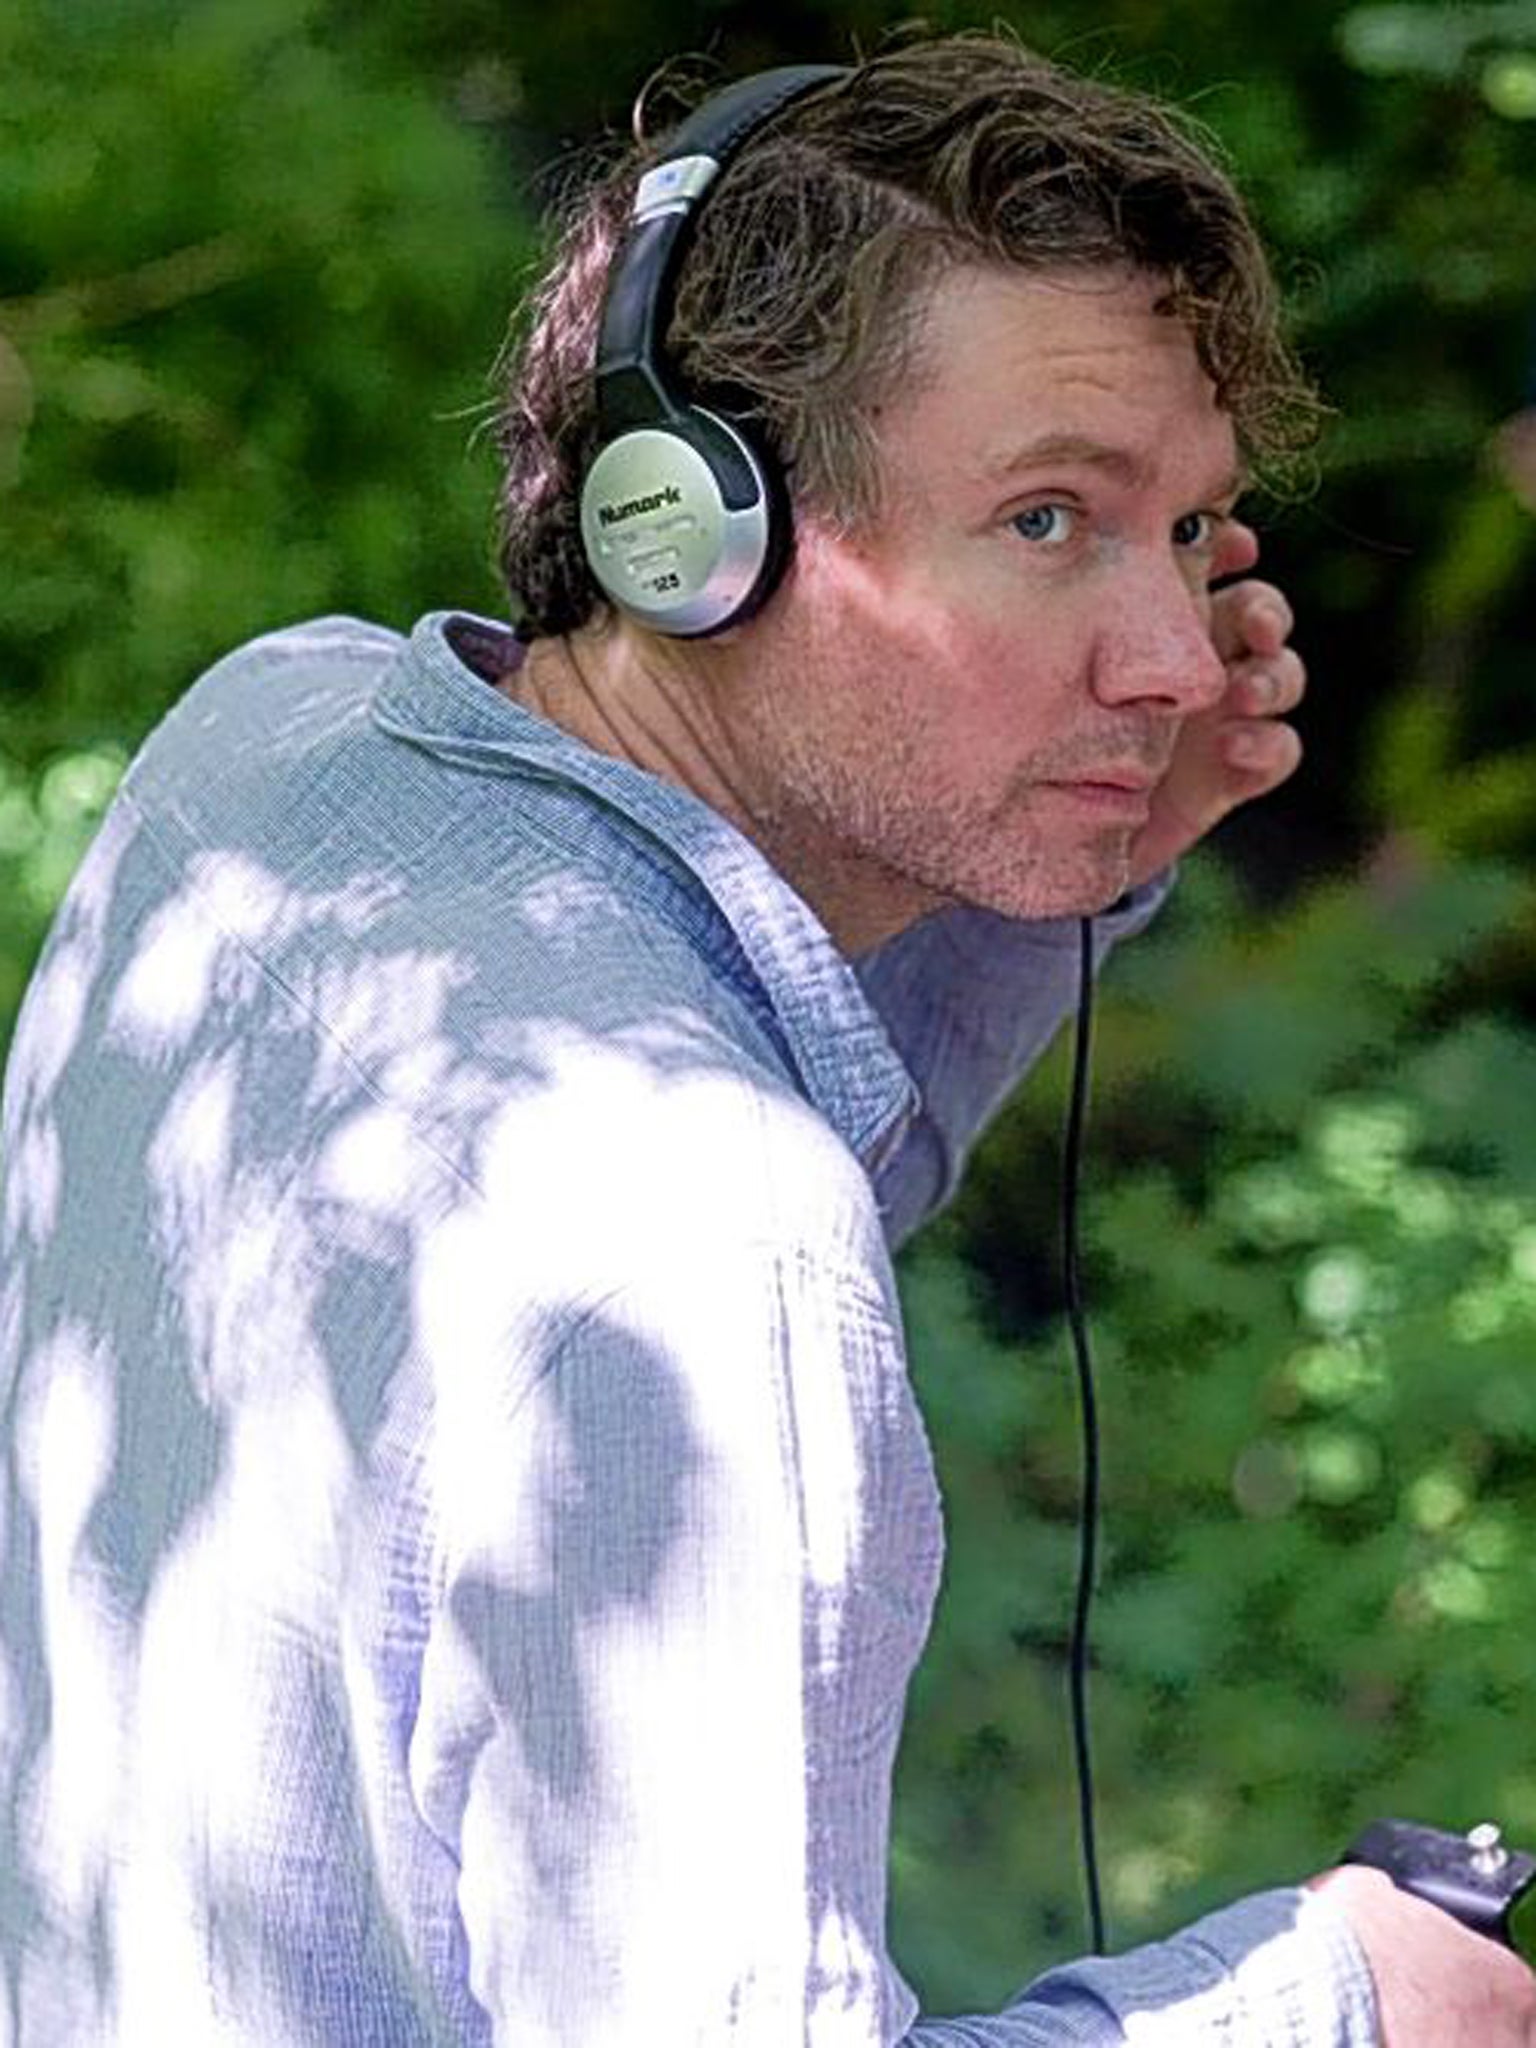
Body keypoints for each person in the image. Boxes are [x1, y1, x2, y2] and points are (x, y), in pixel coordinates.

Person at [0, 30, 1531, 2048]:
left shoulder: (266, 742)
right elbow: (705, 1237)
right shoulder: (711, 1244)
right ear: (689, 529)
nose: (1177, 660)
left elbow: (701, 1130)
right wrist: (1346, 2003)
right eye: (1049, 520)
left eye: (1186, 531)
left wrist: (1044, 888)